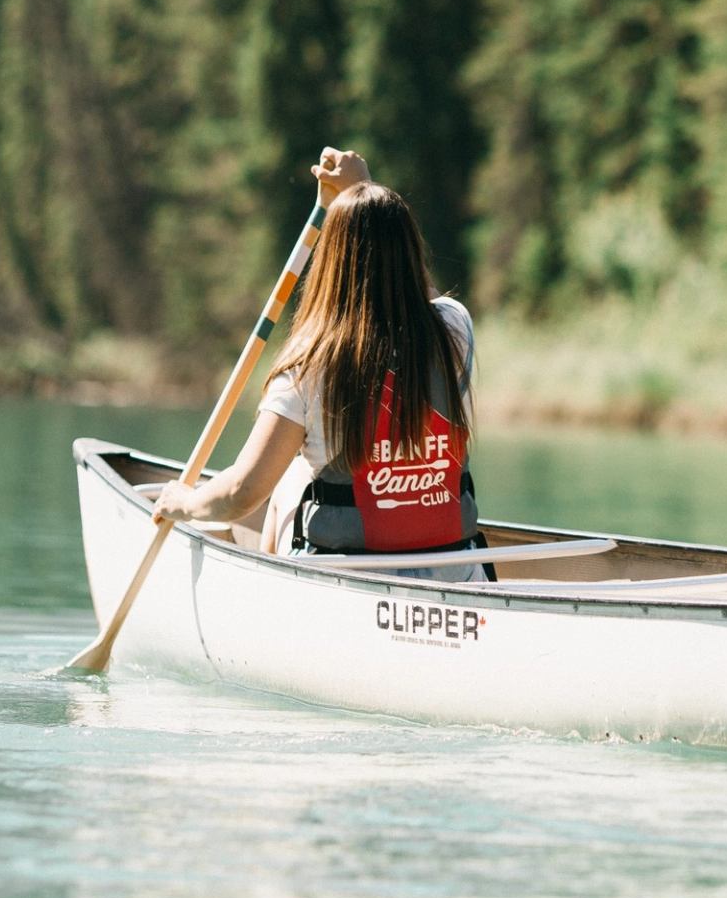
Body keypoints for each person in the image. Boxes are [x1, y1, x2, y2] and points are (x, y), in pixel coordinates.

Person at [152, 148, 485, 582]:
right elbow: (423, 289)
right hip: (453, 573)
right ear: (411, 252)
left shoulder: (309, 362)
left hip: (347, 582)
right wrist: (365, 190)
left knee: (291, 476)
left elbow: (241, 491)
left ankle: (268, 600)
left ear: (331, 262)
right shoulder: (453, 328)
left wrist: (183, 502)